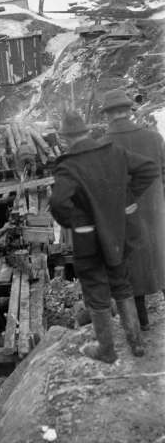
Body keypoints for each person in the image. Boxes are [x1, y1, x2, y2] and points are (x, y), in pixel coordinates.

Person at [50, 112, 158, 363]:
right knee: (121, 283)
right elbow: (149, 169)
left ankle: (106, 351)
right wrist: (124, 200)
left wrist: (76, 221)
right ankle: (136, 343)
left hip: (89, 240)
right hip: (119, 234)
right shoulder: (114, 153)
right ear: (87, 131)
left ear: (65, 138)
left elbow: (58, 202)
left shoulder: (69, 166)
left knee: (96, 290)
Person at [100, 89, 165, 330]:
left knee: (131, 268)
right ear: (130, 111)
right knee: (162, 258)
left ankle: (143, 323)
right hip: (157, 212)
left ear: (107, 115)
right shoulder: (154, 138)